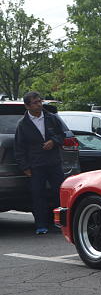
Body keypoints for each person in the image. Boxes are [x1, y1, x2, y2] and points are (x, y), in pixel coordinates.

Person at [14, 92, 67, 234]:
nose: (39, 104)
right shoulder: (23, 124)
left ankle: (63, 223)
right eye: (35, 102)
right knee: (38, 195)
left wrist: (53, 141)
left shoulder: (51, 118)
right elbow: (19, 148)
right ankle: (41, 225)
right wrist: (24, 167)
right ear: (27, 106)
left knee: (59, 192)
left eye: (40, 101)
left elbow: (62, 134)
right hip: (35, 165)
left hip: (54, 162)